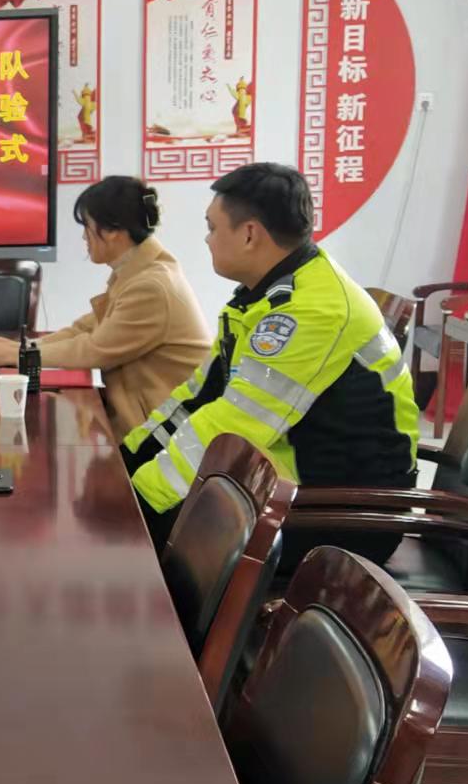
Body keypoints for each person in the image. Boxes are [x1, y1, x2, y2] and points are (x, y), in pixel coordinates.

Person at [122, 163, 418, 563]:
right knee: (131, 523)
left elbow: (233, 428)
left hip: (344, 516)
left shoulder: (313, 310)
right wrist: (124, 461)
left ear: (249, 234)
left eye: (212, 227)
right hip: (290, 485)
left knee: (138, 541)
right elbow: (197, 398)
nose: (207, 239)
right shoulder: (262, 298)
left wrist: (136, 500)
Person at [0, 178, 209, 431]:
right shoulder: (139, 271)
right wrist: (24, 348)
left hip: (163, 430)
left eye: (87, 225)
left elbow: (95, 350)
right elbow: (85, 328)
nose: (84, 236)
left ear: (113, 230)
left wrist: (16, 355)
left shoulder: (151, 286)